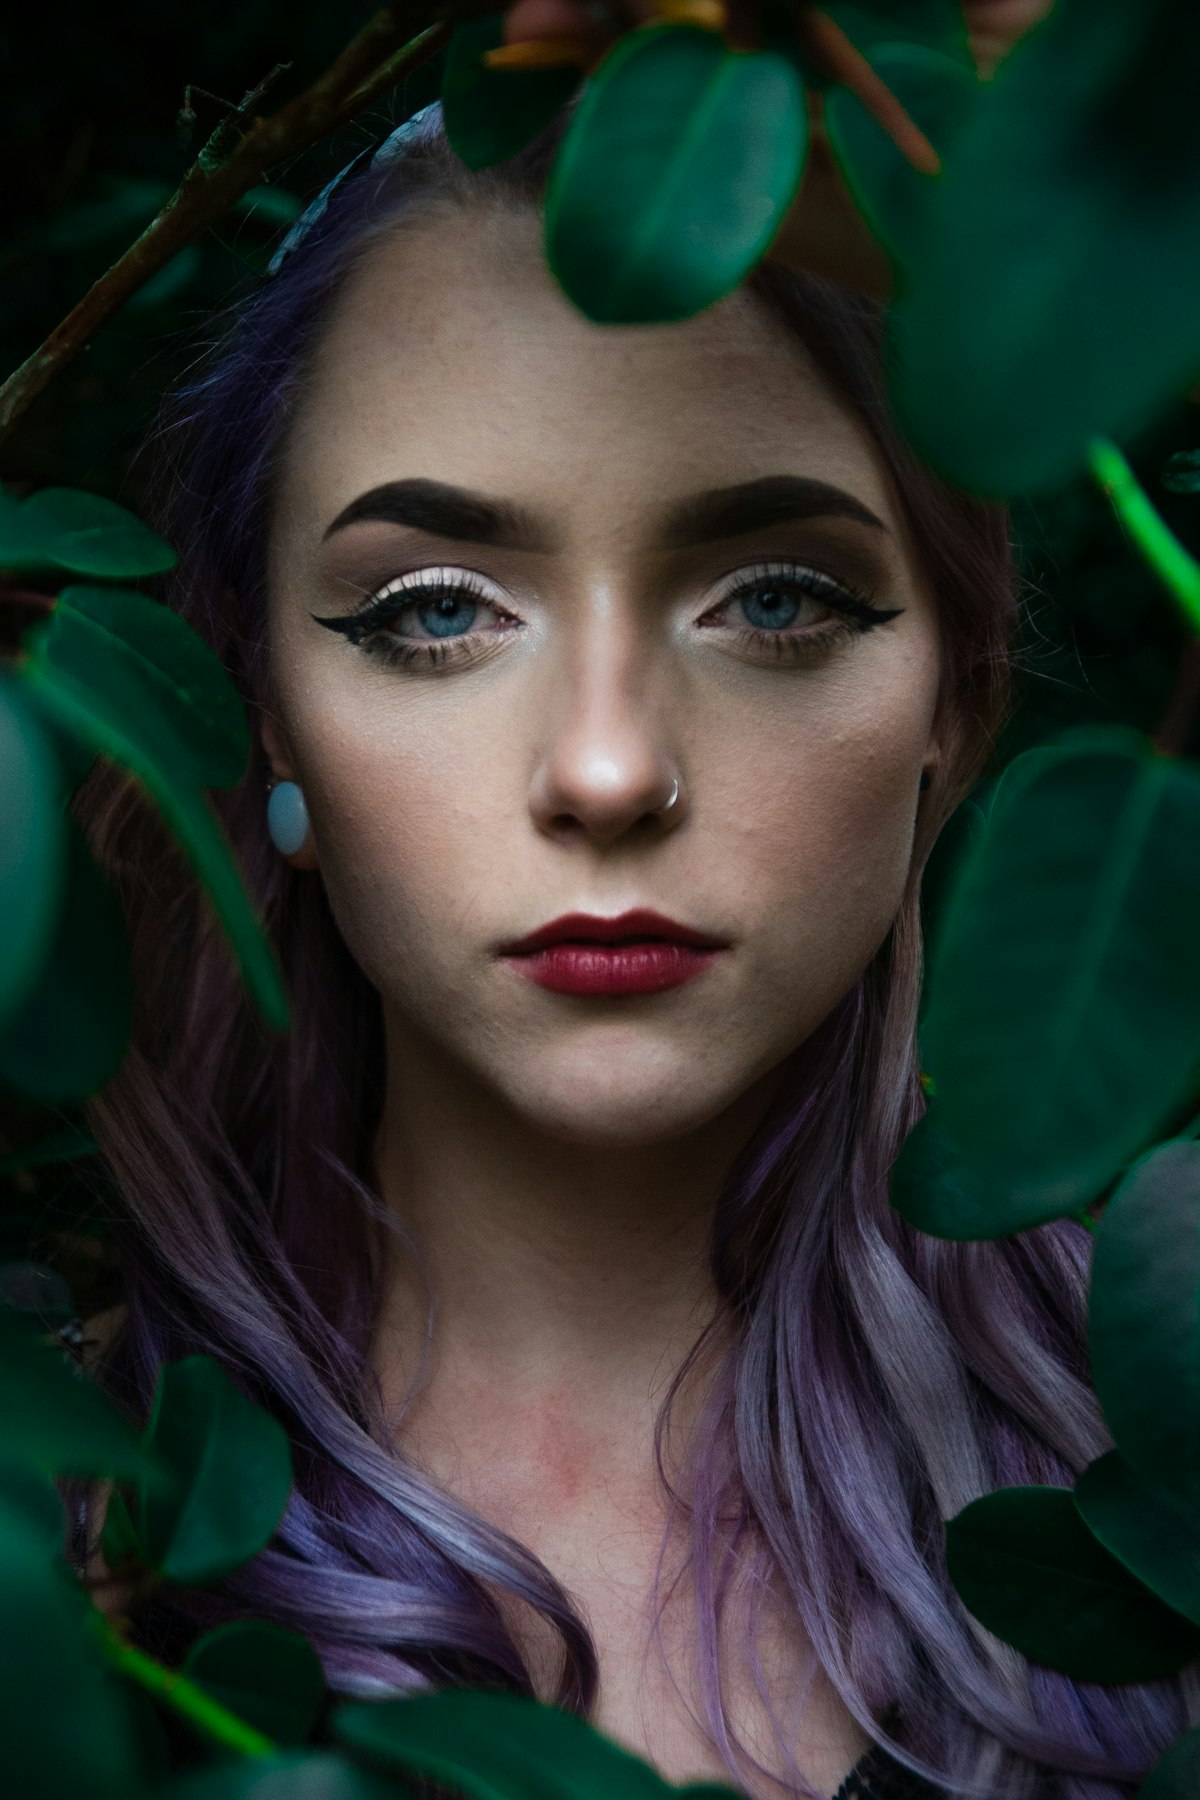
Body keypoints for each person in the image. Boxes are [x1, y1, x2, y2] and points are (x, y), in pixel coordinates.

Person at [68, 41, 1197, 1800]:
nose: (606, 768)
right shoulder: (59, 1537)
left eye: (774, 601)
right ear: (261, 708)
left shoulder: (1161, 1497)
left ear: (952, 714)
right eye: (436, 612)